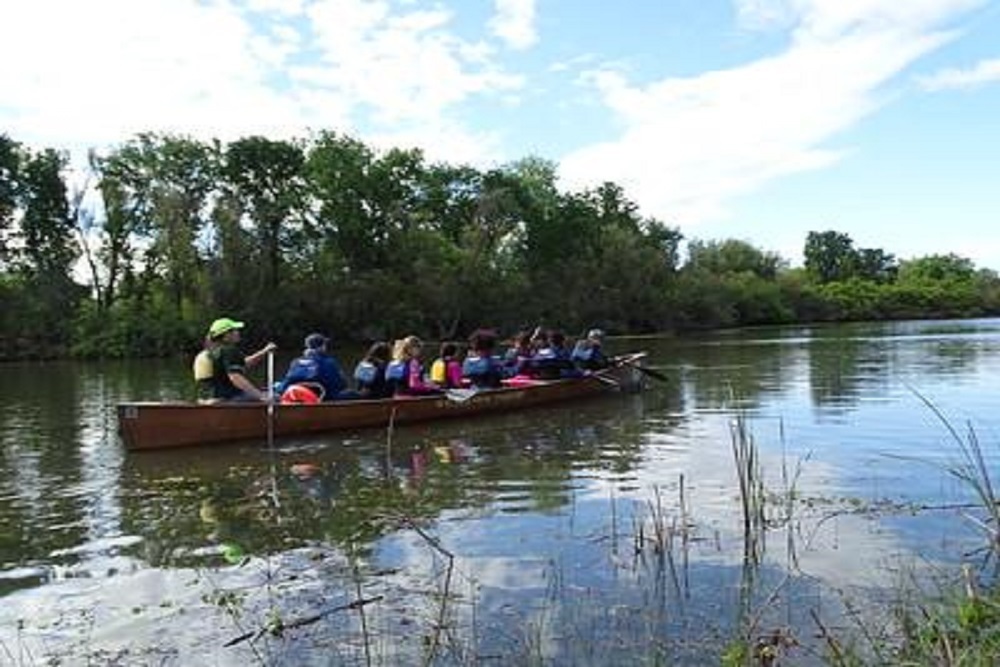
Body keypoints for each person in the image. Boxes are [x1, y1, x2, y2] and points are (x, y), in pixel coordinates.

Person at [197, 317, 276, 402]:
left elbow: (243, 363)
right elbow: (235, 377)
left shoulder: (208, 353)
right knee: (276, 396)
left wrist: (264, 352)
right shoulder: (228, 351)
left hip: (204, 400)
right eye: (235, 330)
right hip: (225, 399)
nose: (238, 332)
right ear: (226, 335)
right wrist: (260, 396)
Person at [276, 333, 358, 402]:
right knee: (352, 394)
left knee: (277, 385)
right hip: (323, 399)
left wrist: (279, 389)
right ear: (322, 347)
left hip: (298, 400)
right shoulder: (328, 362)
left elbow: (286, 383)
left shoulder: (296, 362)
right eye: (325, 345)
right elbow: (340, 384)